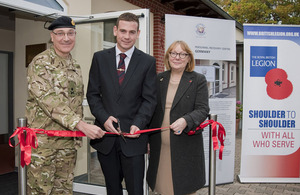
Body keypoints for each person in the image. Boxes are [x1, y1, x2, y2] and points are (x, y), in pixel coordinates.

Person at [26, 16, 105, 195]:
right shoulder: (41, 63)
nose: (66, 38)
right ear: (52, 37)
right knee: (40, 191)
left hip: (67, 143)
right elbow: (48, 99)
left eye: (70, 33)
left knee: (63, 190)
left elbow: (74, 102)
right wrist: (82, 125)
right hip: (44, 145)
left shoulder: (74, 66)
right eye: (60, 33)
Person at [86, 12, 157, 194]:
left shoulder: (148, 62)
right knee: (112, 189)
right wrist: (104, 118)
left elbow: (149, 99)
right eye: (123, 31)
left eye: (132, 32)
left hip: (134, 140)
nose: (127, 36)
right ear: (115, 31)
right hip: (106, 138)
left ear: (138, 34)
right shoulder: (99, 58)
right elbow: (93, 95)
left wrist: (138, 124)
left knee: (135, 190)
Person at [147, 40, 210, 195]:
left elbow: (203, 109)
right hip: (159, 147)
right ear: (168, 56)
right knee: (162, 188)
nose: (177, 57)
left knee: (182, 189)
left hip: (185, 147)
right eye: (174, 53)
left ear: (189, 58)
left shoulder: (198, 80)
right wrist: (147, 139)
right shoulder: (159, 79)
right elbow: (150, 110)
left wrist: (186, 121)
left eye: (182, 54)